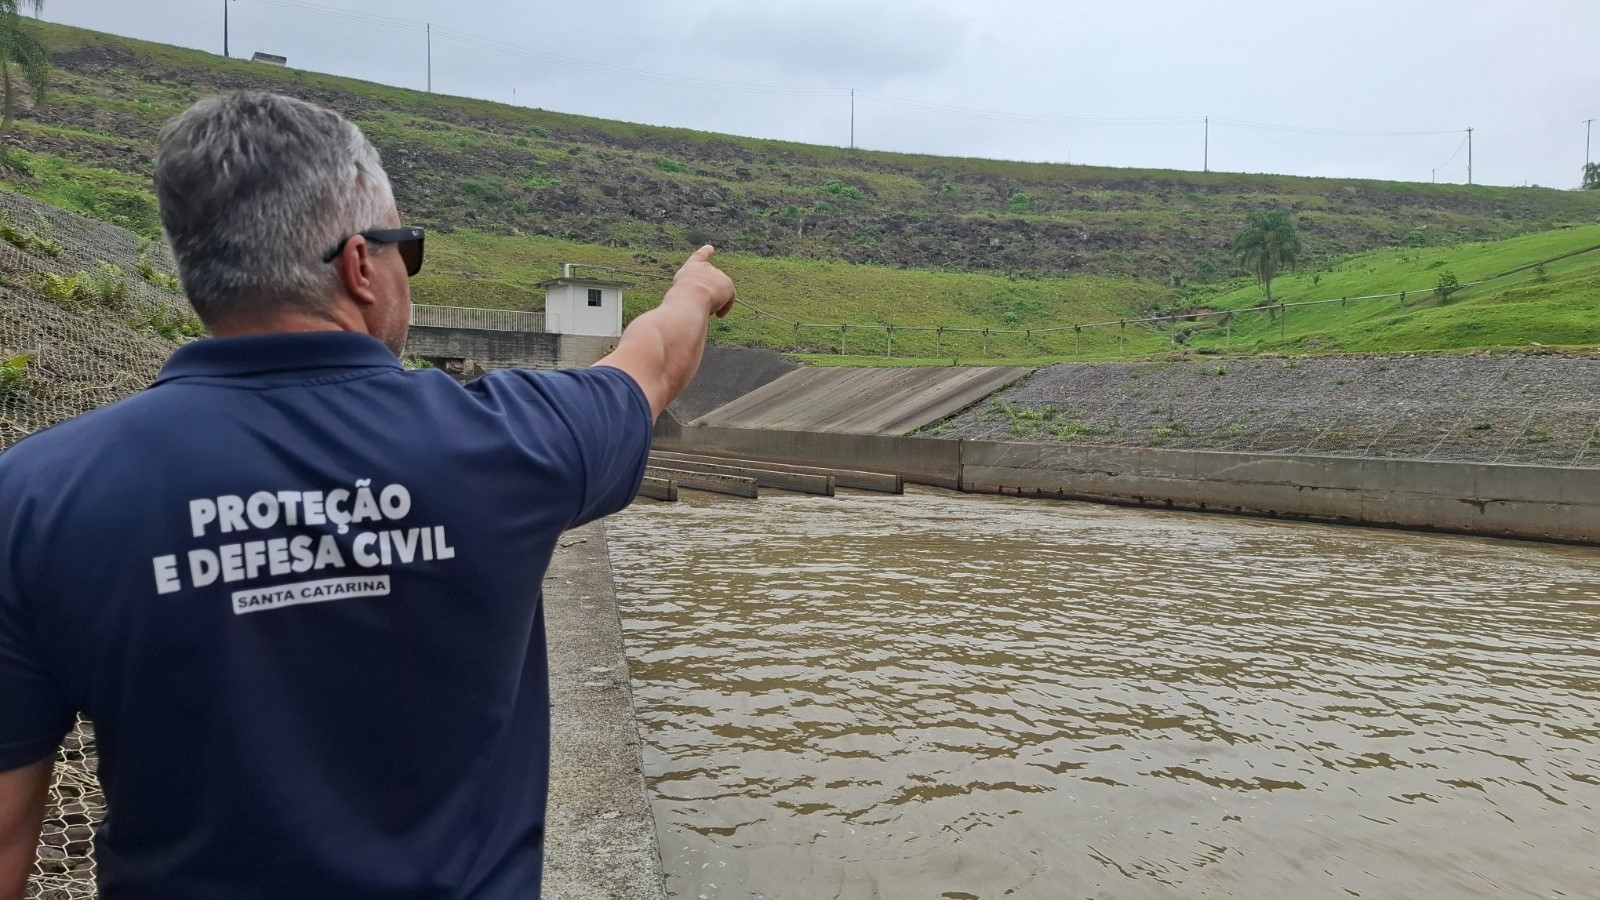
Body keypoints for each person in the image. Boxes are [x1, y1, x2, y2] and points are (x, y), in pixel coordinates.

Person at [0, 91, 734, 899]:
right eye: (404, 250)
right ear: (359, 264)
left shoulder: (39, 495)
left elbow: (7, 831)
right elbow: (654, 362)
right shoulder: (514, 442)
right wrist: (692, 290)